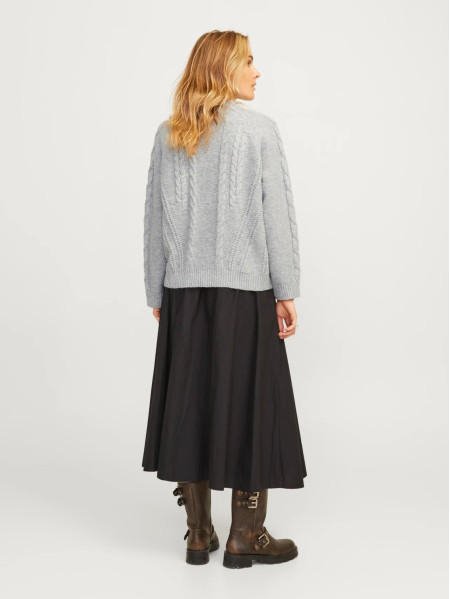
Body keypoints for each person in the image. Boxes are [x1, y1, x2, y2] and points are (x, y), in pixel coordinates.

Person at [141, 30, 307, 568]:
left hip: (184, 294)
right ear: (223, 69)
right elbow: (276, 216)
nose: (258, 72)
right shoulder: (259, 131)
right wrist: (286, 290)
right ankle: (245, 536)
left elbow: (154, 220)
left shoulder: (169, 133)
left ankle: (197, 533)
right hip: (246, 292)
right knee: (252, 405)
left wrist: (157, 289)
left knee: (190, 401)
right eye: (249, 61)